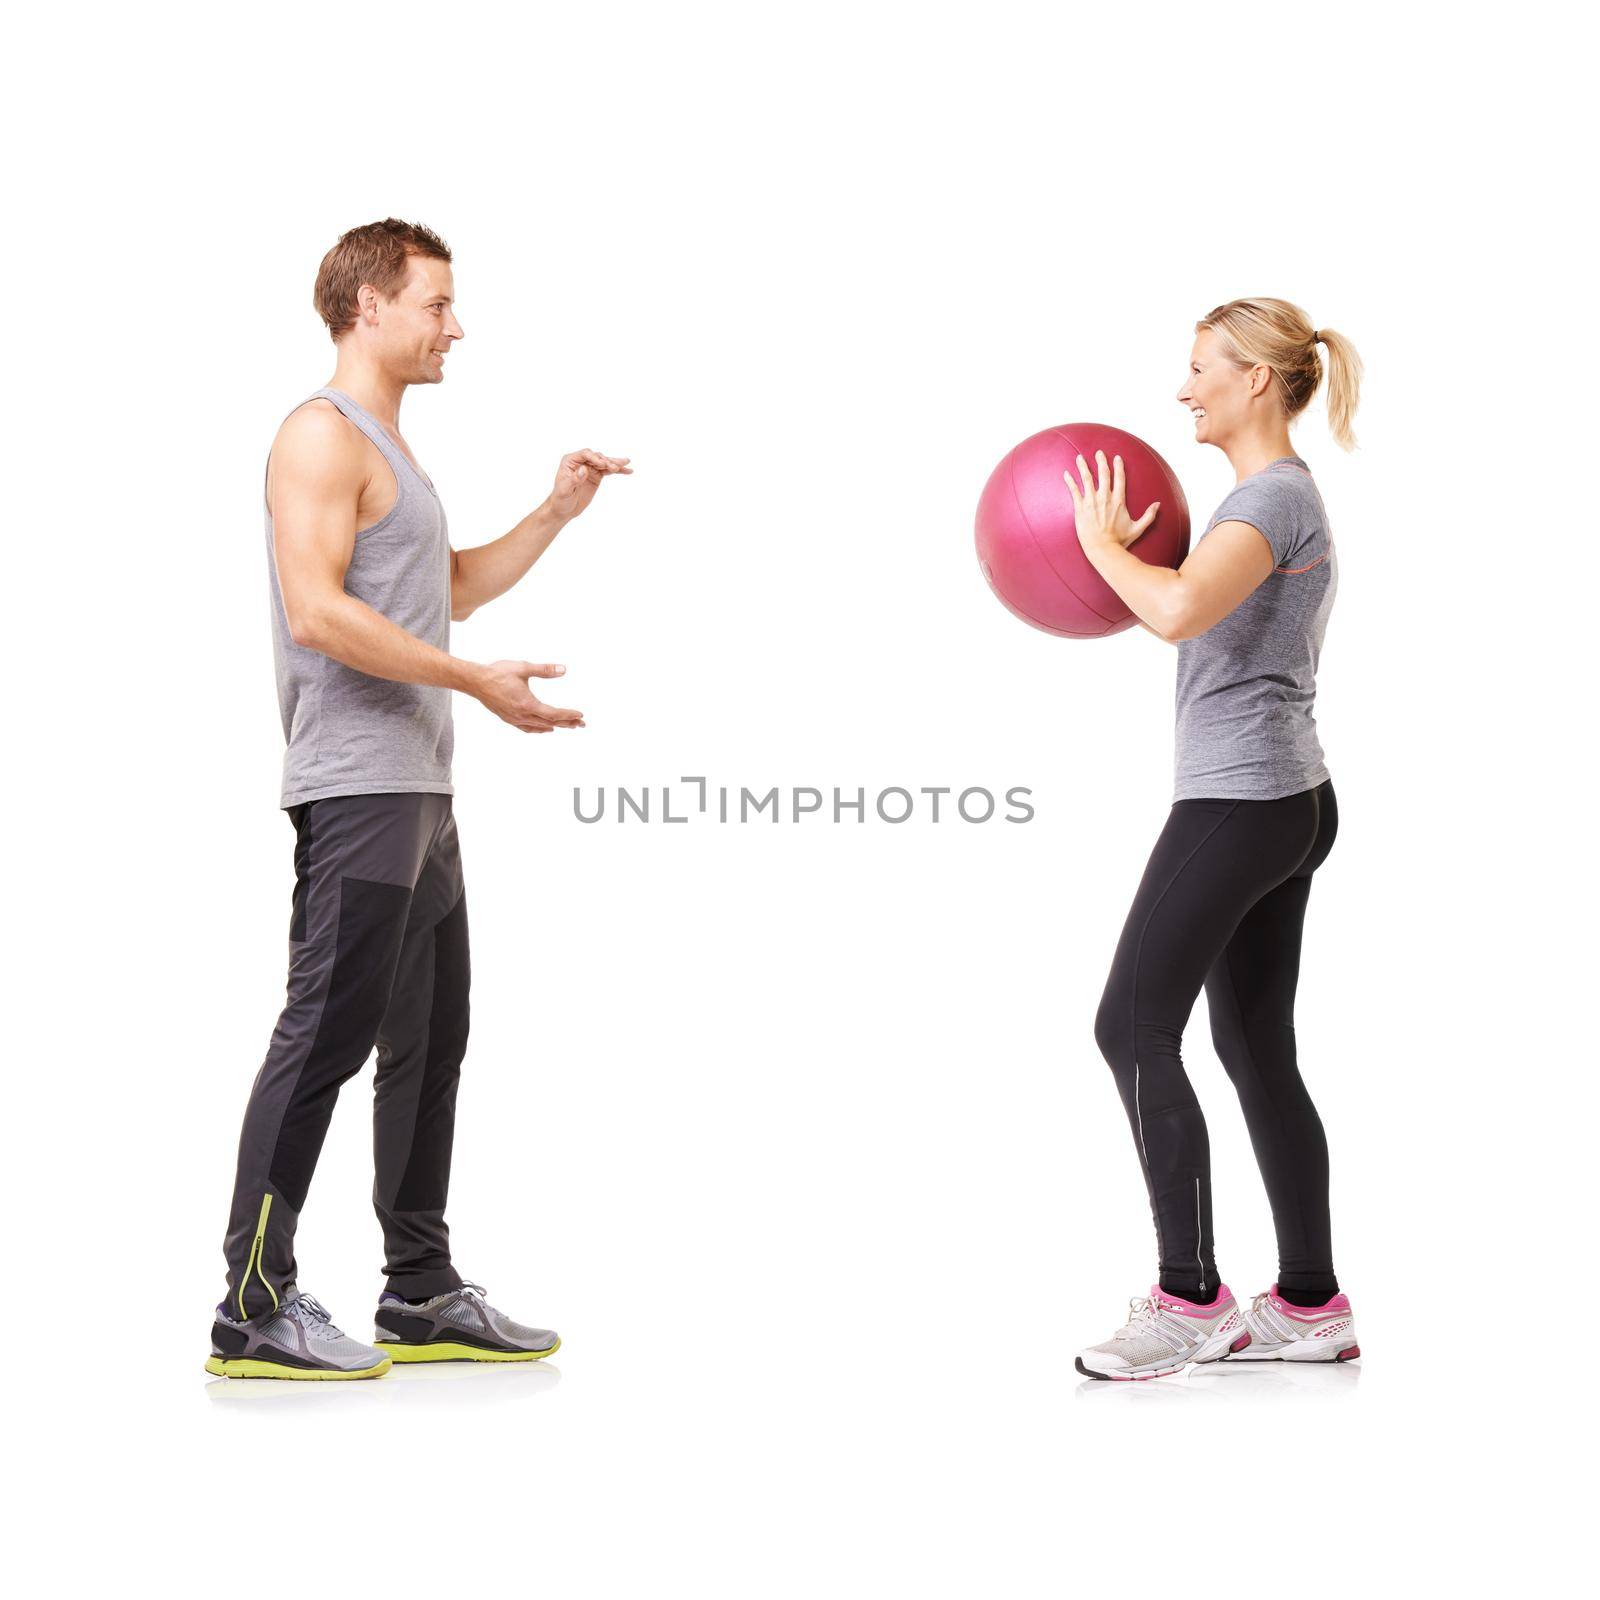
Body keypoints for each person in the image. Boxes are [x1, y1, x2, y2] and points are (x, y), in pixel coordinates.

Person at [207, 218, 631, 1380]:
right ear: (367, 307)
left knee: (431, 1041)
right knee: (322, 1039)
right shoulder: (318, 435)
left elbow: (440, 591)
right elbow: (317, 610)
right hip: (358, 787)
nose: (455, 325)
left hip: (421, 790)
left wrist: (552, 513)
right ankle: (252, 1303)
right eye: (436, 303)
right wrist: (472, 685)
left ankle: (421, 1286)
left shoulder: (390, 444)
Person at [1067, 298, 1363, 1381]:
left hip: (1241, 804)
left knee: (1129, 1024)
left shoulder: (1272, 498)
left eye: (1199, 368)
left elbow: (1180, 606)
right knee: (1251, 1048)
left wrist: (1097, 547)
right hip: (1284, 798)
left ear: (1256, 378)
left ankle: (1188, 1298)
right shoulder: (1267, 499)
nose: (1183, 388)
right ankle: (1310, 1302)